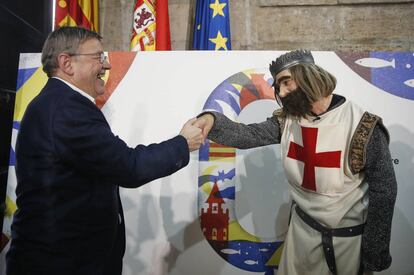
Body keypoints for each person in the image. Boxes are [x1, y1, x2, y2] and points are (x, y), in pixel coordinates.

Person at [6, 26, 204, 275]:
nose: (107, 64)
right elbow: (128, 167)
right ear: (67, 63)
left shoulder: (59, 103)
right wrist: (183, 143)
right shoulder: (66, 109)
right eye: (98, 56)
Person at [195, 49, 397, 275]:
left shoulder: (361, 125)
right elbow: (247, 135)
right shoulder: (288, 121)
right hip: (300, 236)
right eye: (278, 86)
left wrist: (373, 252)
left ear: (308, 75)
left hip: (347, 243)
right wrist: (211, 119)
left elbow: (384, 190)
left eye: (286, 82)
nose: (281, 92)